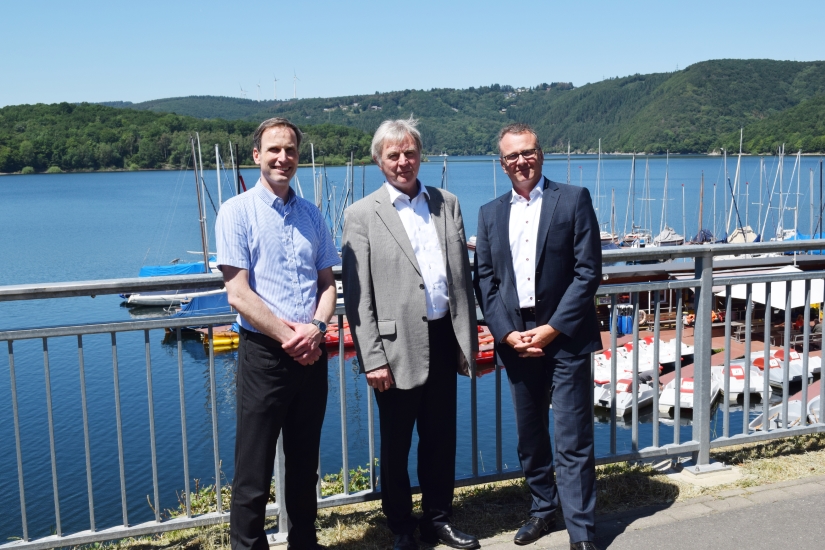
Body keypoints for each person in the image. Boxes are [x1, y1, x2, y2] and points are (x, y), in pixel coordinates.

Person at [341, 118, 479, 550]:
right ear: (379, 161)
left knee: (440, 440)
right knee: (397, 445)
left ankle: (439, 518)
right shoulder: (361, 214)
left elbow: (461, 278)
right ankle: (401, 526)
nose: (403, 162)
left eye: (410, 153)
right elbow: (356, 297)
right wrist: (373, 358)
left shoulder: (447, 203)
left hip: (443, 337)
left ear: (421, 155)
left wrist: (465, 341)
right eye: (393, 155)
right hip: (395, 348)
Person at [474, 123, 602, 550]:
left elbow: (588, 273)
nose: (521, 162)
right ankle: (544, 512)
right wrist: (508, 334)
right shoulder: (490, 213)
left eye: (527, 152)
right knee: (530, 435)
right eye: (512, 156)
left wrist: (550, 329)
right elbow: (486, 282)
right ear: (502, 164)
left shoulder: (574, 199)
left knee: (573, 437)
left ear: (541, 154)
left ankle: (581, 531)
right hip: (517, 341)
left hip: (565, 338)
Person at [216, 117, 340, 550]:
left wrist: (317, 329)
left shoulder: (311, 214)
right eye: (273, 150)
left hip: (312, 354)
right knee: (254, 469)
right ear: (257, 156)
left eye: (290, 150)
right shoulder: (236, 212)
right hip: (266, 356)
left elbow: (329, 284)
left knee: (305, 466)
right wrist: (294, 339)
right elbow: (238, 294)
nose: (282, 158)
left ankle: (304, 543)